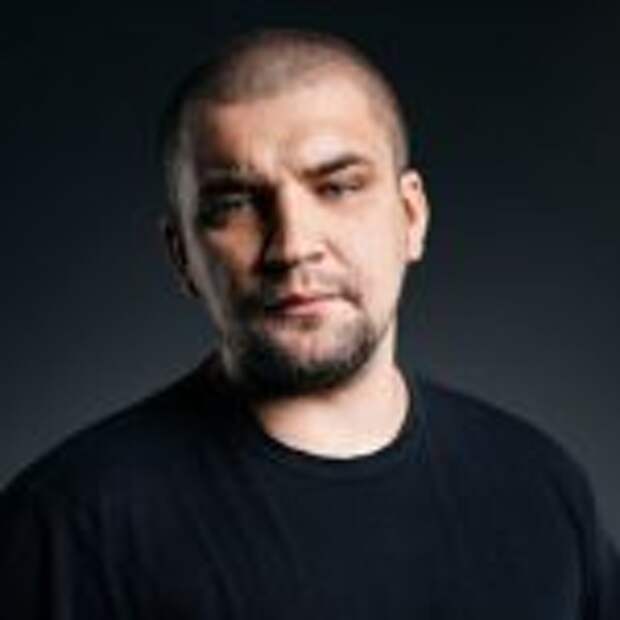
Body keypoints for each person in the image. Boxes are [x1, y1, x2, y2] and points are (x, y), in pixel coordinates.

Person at [1, 28, 618, 619]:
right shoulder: (68, 527)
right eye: (235, 204)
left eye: (339, 187)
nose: (294, 246)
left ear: (411, 217)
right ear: (183, 255)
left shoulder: (541, 487)